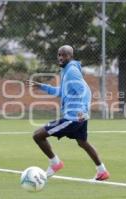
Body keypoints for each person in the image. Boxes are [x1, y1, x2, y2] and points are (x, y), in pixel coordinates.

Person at [25, 45, 110, 180]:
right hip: (78, 117)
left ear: (70, 56)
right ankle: (102, 171)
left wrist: (82, 110)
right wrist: (41, 86)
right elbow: (61, 92)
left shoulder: (71, 71)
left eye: (64, 55)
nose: (60, 58)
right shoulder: (66, 71)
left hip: (73, 118)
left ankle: (55, 163)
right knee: (82, 142)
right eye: (59, 55)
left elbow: (85, 90)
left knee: (38, 136)